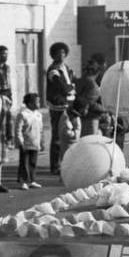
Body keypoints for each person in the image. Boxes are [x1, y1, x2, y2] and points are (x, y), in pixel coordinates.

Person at [45, 42, 75, 174]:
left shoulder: (66, 68)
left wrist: (70, 88)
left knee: (69, 136)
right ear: (53, 55)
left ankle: (66, 162)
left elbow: (71, 83)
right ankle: (54, 166)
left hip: (68, 105)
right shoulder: (53, 70)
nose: (61, 55)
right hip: (57, 106)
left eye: (63, 53)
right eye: (58, 53)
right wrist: (71, 88)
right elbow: (63, 87)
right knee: (57, 137)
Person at [14, 92, 43, 190]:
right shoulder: (23, 114)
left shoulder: (38, 114)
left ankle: (32, 180)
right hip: (25, 143)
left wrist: (41, 141)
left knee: (33, 163)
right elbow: (18, 129)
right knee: (24, 163)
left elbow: (40, 129)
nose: (39, 104)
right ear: (30, 103)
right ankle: (23, 181)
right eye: (37, 102)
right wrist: (20, 141)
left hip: (35, 142)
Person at [75, 54, 105, 136]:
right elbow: (90, 103)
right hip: (90, 118)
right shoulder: (92, 84)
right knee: (91, 141)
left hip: (80, 117)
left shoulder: (80, 80)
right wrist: (104, 108)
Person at [58, 97, 83, 163]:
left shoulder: (76, 118)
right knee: (67, 162)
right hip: (67, 145)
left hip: (73, 144)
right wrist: (75, 133)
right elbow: (66, 133)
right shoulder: (66, 119)